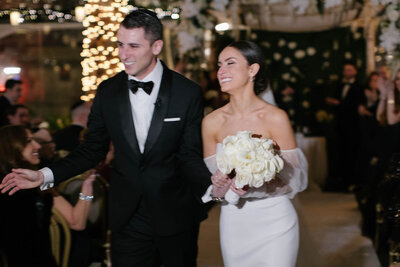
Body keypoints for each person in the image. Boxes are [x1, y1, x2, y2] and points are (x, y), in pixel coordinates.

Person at [0, 8, 211, 267]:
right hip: (127, 217)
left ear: (156, 46)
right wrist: (44, 174)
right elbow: (91, 150)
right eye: (121, 44)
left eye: (134, 46)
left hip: (176, 214)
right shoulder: (108, 91)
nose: (124, 54)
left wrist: (214, 186)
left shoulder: (186, 92)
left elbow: (190, 155)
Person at [201, 41, 308, 267]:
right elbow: (215, 190)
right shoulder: (211, 122)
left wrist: (260, 183)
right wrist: (219, 189)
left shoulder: (275, 118)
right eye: (219, 65)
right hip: (234, 221)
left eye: (230, 63)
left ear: (252, 69)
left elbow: (295, 179)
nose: (221, 71)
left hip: (275, 217)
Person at [0, 125, 95, 267]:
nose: (38, 146)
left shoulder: (38, 184)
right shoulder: (34, 187)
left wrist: (87, 187)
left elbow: (77, 222)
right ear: (12, 147)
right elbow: (77, 223)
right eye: (29, 141)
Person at [325, 62, 363, 191]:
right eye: (345, 69)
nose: (346, 72)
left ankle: (352, 182)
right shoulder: (339, 86)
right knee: (339, 153)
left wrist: (339, 103)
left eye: (349, 69)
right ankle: (341, 182)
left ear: (355, 72)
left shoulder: (359, 87)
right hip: (339, 126)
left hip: (353, 127)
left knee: (352, 153)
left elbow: (356, 106)